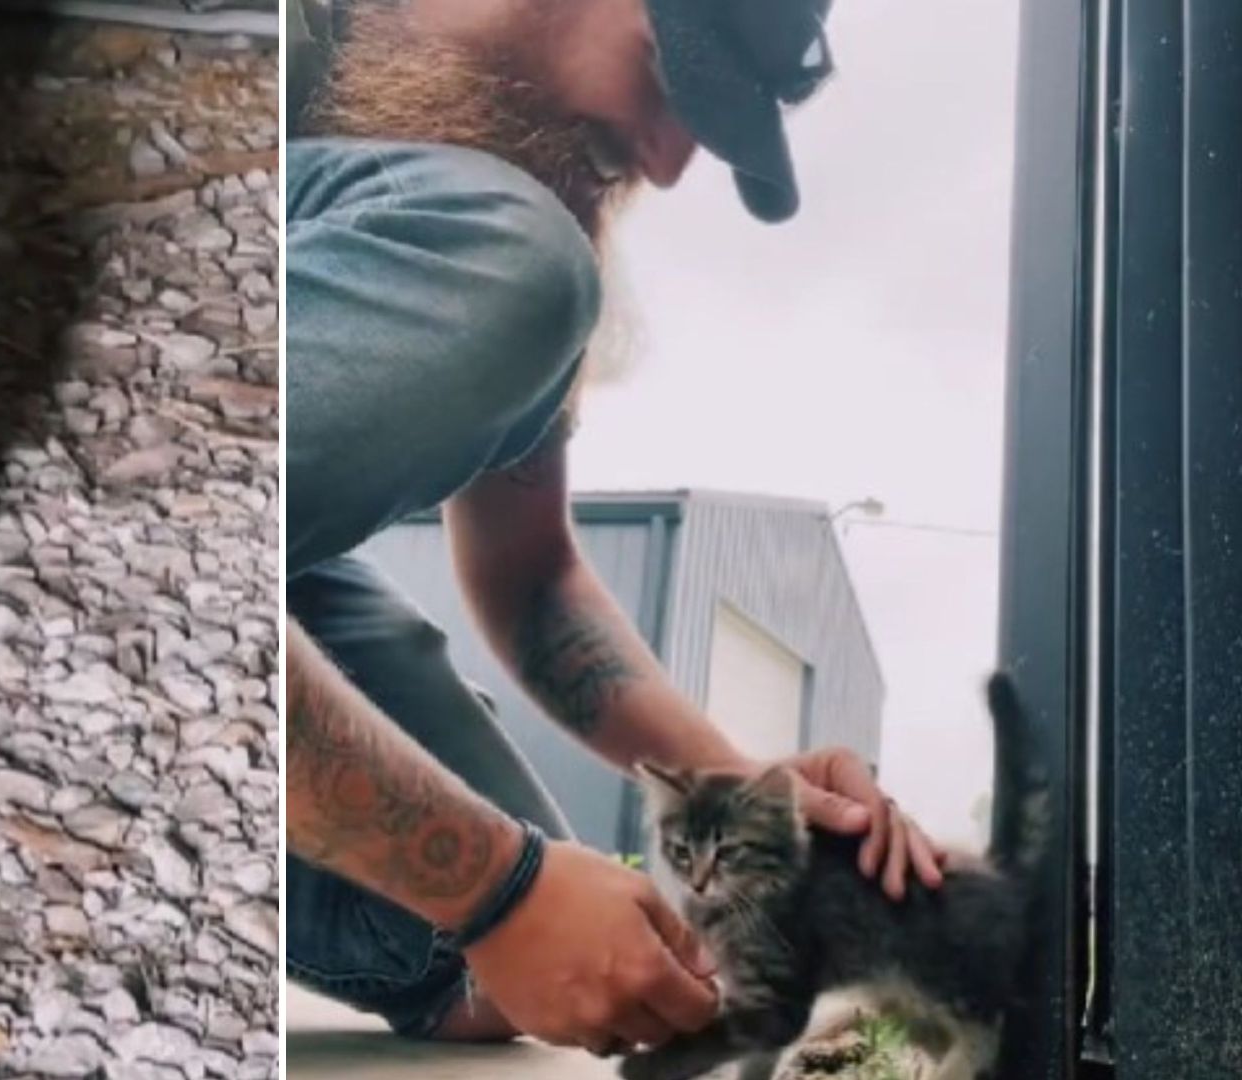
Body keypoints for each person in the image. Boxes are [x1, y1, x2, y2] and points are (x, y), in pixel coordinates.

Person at [283, 0, 948, 1057]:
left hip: (286, 573)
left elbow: (533, 575)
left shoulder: (504, 175)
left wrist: (745, 789)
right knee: (527, 260)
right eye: (671, 79)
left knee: (527, 973)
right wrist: (489, 882)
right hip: (149, 480)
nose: (669, 164)